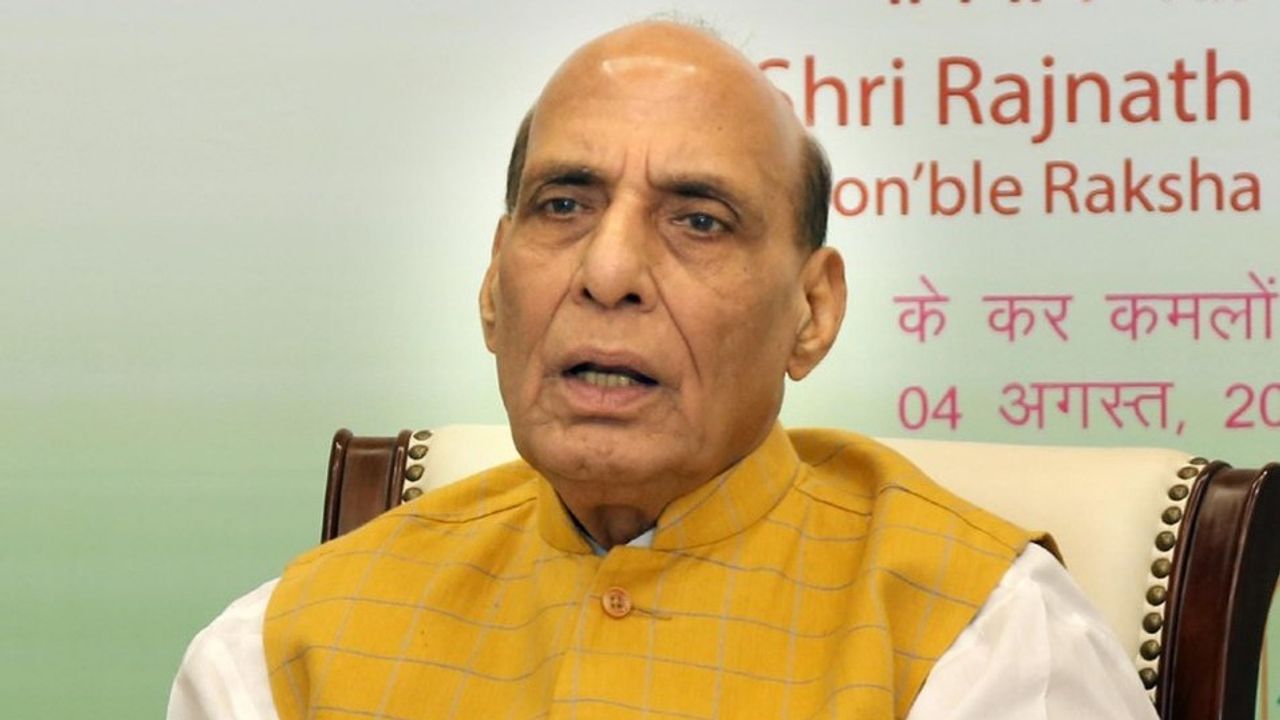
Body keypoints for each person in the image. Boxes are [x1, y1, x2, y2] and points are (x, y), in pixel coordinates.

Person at [169, 20, 1158, 720]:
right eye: (563, 205)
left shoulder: (986, 636)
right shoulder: (280, 653)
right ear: (492, 287)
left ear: (811, 312)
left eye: (698, 220)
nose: (608, 273)